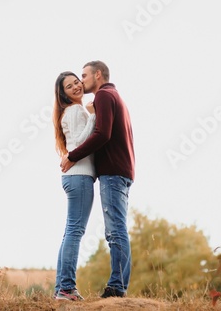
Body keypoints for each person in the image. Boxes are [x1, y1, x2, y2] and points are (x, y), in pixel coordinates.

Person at [60, 61, 135, 298]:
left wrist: (73, 156)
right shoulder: (114, 96)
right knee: (114, 229)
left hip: (113, 172)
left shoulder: (103, 96)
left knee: (115, 230)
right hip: (120, 171)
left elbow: (103, 133)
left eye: (83, 76)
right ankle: (115, 285)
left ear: (98, 75)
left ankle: (116, 286)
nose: (81, 82)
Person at [53, 71, 96, 301]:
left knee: (70, 232)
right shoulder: (76, 111)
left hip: (75, 177)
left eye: (77, 82)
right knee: (75, 232)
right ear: (65, 95)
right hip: (79, 177)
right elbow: (80, 143)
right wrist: (93, 116)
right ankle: (66, 288)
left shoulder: (71, 111)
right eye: (70, 87)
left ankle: (61, 288)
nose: (77, 87)